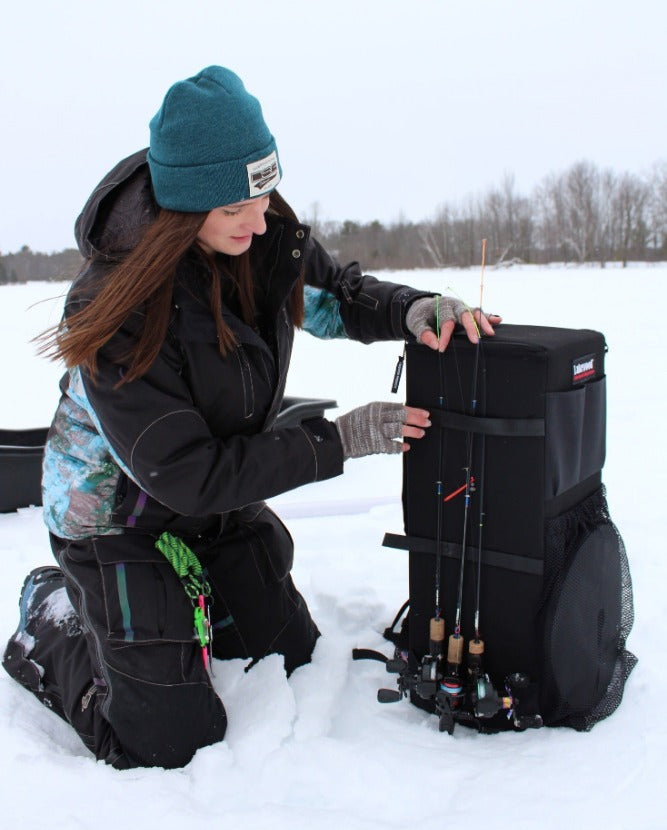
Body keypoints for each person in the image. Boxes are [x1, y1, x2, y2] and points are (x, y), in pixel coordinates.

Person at [2, 66, 498, 769]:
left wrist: (412, 311)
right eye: (238, 206)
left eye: (264, 194)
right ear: (188, 201)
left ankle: (194, 587)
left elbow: (335, 295)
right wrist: (339, 440)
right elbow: (186, 474)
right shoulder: (117, 311)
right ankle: (55, 612)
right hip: (119, 520)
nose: (260, 220)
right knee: (168, 739)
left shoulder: (258, 237)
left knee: (292, 656)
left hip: (209, 508)